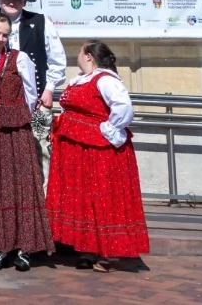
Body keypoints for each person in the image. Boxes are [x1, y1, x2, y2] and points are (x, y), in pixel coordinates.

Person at [47, 40, 149, 271]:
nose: (78, 57)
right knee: (83, 199)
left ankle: (109, 253)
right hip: (77, 150)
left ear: (89, 57)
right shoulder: (79, 80)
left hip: (99, 151)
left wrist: (106, 130)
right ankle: (87, 249)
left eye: (81, 53)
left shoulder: (105, 80)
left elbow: (123, 108)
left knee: (102, 198)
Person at [0, 11, 54, 271]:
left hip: (17, 131)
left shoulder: (20, 58)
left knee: (22, 187)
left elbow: (30, 93)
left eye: (5, 35)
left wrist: (16, 115)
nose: (0, 38)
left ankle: (24, 247)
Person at [0, 0, 67, 185]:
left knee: (40, 146)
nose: (12, 2)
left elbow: (57, 60)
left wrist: (48, 90)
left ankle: (43, 198)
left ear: (24, 2)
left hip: (36, 100)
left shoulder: (40, 21)